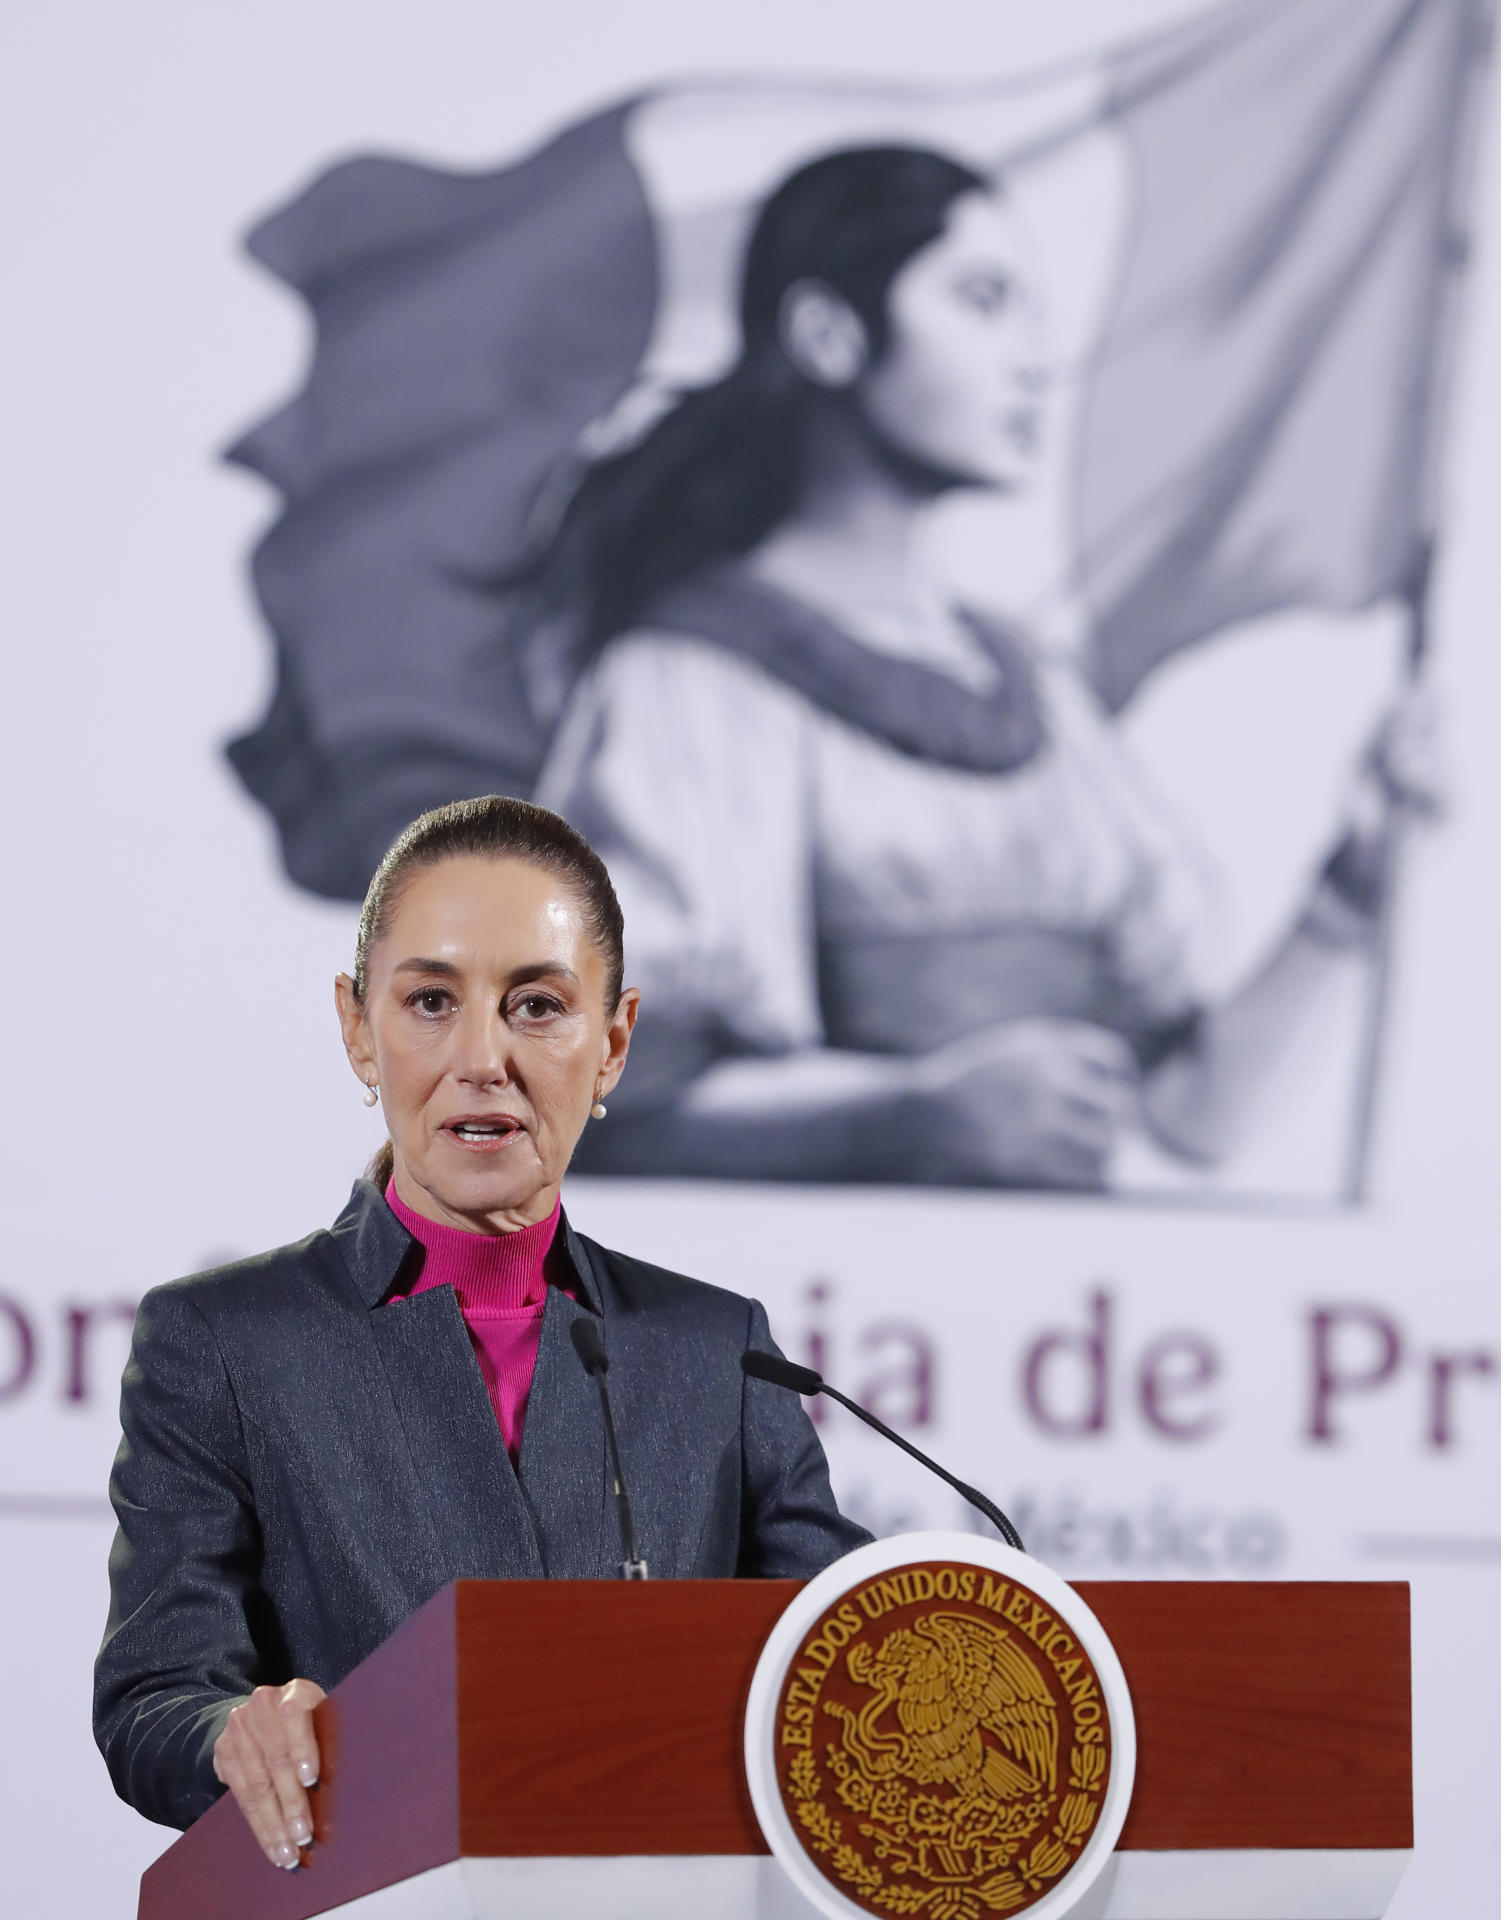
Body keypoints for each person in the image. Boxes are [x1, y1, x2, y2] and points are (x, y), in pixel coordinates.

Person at [532, 144, 1438, 1189]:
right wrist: (901, 1118)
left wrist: (1348, 894)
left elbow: (1191, 1118)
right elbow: (603, 1099)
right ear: (828, 334)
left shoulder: (1034, 691)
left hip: (1056, 1330)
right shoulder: (687, 684)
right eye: (982, 299)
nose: (1031, 358)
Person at [93, 796, 868, 1861]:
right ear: (358, 1030)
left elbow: (853, 1667)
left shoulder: (717, 1353)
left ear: (614, 1043)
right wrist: (233, 1731)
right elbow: (155, 1693)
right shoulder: (225, 1343)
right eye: (428, 1002)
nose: (481, 1058)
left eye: (537, 1006)